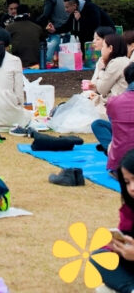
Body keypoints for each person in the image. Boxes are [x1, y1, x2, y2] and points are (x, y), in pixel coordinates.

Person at [90, 149, 134, 292]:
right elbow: (126, 234)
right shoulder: (130, 208)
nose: (131, 188)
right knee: (99, 256)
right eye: (127, 182)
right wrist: (115, 246)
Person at [92, 63, 134, 169]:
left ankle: (109, 150)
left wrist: (101, 70)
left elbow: (102, 88)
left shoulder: (114, 102)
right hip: (121, 164)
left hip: (118, 165)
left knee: (100, 125)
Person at [46, 0, 115, 48]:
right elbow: (67, 26)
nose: (65, 10)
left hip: (104, 36)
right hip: (87, 39)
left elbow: (94, 26)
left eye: (67, 7)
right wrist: (55, 30)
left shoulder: (91, 8)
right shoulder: (75, 11)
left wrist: (80, 19)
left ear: (74, 6)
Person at [88, 31, 130, 106]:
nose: (102, 50)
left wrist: (102, 69)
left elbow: (102, 89)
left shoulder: (116, 63)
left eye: (103, 46)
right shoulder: (125, 60)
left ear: (110, 48)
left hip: (116, 107)